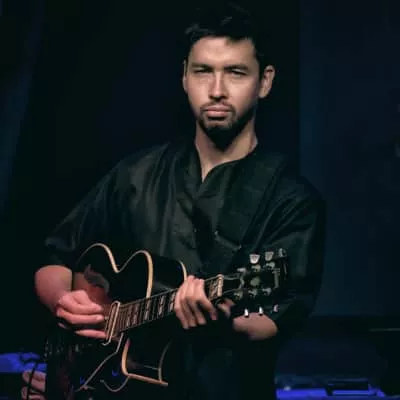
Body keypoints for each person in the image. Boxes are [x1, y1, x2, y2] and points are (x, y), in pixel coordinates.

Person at [34, 2, 326, 400]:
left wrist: (221, 321)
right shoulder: (135, 174)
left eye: (236, 72)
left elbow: (276, 318)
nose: (217, 90)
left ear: (265, 81)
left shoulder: (292, 200)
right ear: (185, 76)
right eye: (203, 70)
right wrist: (66, 303)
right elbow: (54, 261)